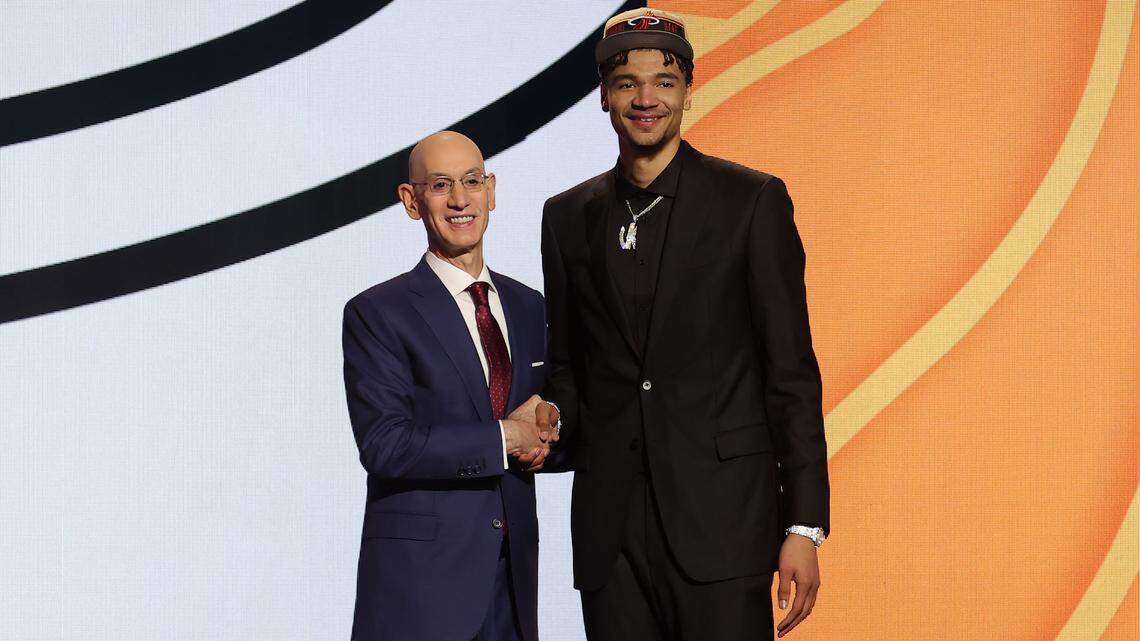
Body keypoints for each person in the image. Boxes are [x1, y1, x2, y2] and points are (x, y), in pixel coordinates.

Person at [539, 9, 831, 641]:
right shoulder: (565, 217)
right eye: (627, 84)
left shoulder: (751, 201)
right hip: (610, 536)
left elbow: (791, 373)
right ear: (604, 96)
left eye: (663, 82)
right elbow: (568, 367)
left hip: (724, 525)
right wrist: (550, 418)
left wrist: (803, 525)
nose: (646, 99)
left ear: (688, 90)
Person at [343, 131, 558, 641]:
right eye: (441, 186)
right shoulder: (378, 312)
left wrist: (551, 423)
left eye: (471, 181)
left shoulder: (529, 306)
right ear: (411, 202)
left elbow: (539, 415)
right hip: (420, 592)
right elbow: (385, 445)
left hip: (512, 587)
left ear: (492, 191)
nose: (460, 200)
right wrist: (504, 438)